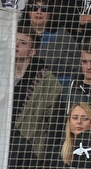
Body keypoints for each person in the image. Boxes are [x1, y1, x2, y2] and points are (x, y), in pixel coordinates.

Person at [14, 27, 62, 159]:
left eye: (23, 43)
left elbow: (54, 125)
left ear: (32, 52)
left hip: (29, 154)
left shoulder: (48, 82)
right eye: (15, 40)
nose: (16, 45)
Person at [26, 0, 81, 81]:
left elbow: (76, 72)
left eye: (44, 8)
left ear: (52, 13)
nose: (39, 12)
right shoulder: (17, 34)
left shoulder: (63, 37)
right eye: (34, 7)